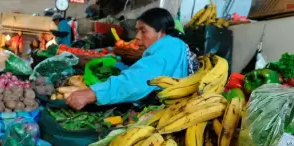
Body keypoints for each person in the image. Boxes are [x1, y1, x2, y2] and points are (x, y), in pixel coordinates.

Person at [66, 8, 198, 111]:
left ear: (161, 31)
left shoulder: (166, 50)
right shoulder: (173, 44)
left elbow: (136, 82)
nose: (137, 37)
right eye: (137, 31)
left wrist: (93, 93)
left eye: (143, 31)